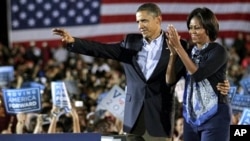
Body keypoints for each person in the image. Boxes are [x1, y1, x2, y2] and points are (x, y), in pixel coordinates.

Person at [52, 3, 229, 141]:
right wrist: (73, 41)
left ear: (158, 20)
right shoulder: (131, 43)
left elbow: (194, 72)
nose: (140, 25)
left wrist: (222, 85)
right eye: (137, 21)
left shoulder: (179, 45)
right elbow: (101, 49)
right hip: (132, 119)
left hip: (159, 120)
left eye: (144, 20)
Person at [166, 7, 231, 141]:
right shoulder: (188, 53)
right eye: (190, 27)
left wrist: (178, 47)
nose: (192, 32)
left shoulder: (218, 51)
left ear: (208, 28)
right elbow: (170, 80)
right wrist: (173, 55)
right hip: (191, 118)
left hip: (215, 116)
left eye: (197, 28)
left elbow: (198, 75)